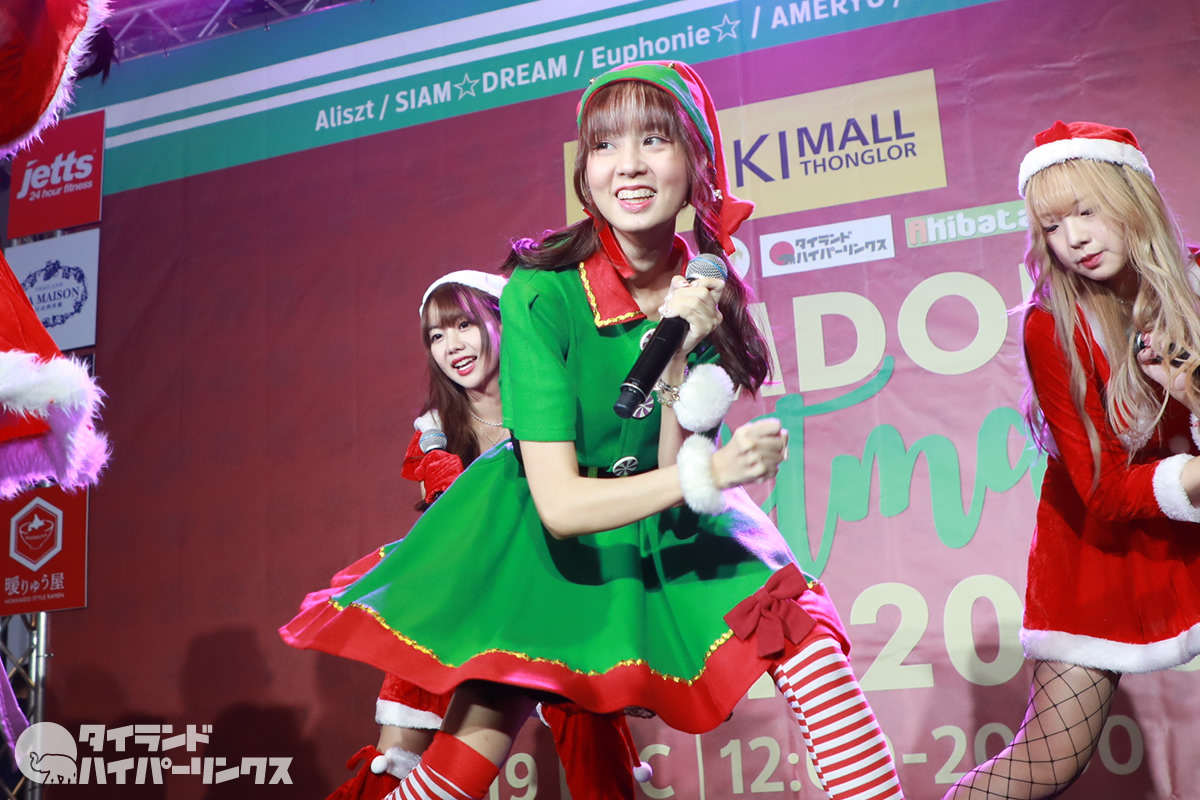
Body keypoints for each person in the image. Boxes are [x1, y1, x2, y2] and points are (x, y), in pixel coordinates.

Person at [282, 61, 904, 800]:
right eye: (606, 146)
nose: (628, 166)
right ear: (585, 169)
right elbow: (561, 506)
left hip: (664, 510)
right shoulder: (541, 292)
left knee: (803, 635)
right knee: (473, 748)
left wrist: (681, 349)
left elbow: (674, 462)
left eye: (654, 141)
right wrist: (708, 474)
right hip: (543, 531)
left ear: (696, 166)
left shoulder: (704, 287)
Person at [943, 121, 1200, 800]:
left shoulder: (1198, 284)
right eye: (1053, 225)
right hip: (1100, 544)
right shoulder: (1049, 324)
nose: (1074, 239)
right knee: (1049, 760)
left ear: (1131, 198)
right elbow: (1107, 492)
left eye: (1087, 211)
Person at [327, 271, 644, 800]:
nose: (451, 346)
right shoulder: (436, 435)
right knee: (396, 756)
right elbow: (450, 531)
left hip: (558, 597)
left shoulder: (557, 404)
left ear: (504, 323)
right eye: (436, 335)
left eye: (463, 325)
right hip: (468, 605)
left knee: (594, 742)